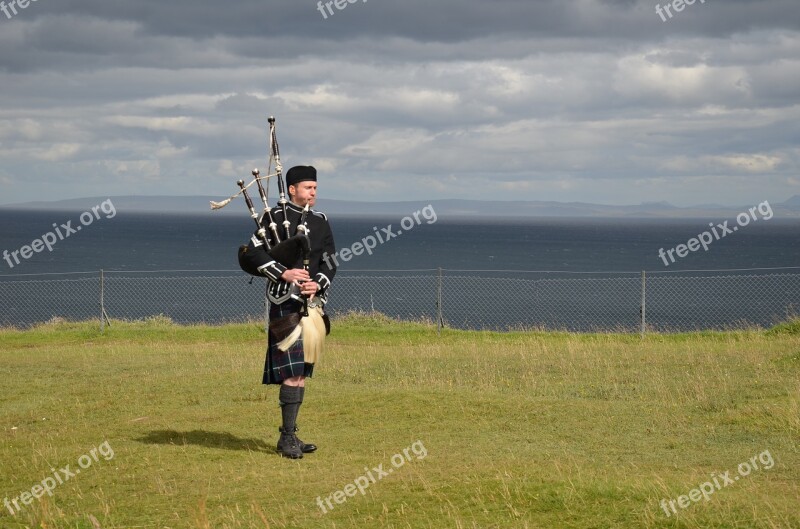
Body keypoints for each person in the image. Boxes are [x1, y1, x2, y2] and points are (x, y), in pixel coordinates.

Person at [242, 165, 336, 459]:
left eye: (316, 188)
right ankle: (287, 438)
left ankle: (290, 435)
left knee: (301, 373)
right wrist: (282, 273)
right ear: (292, 189)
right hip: (284, 303)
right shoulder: (273, 218)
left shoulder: (321, 222)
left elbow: (330, 262)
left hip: (311, 306)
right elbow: (253, 253)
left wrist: (317, 284)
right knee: (291, 372)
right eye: (308, 188)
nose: (313, 193)